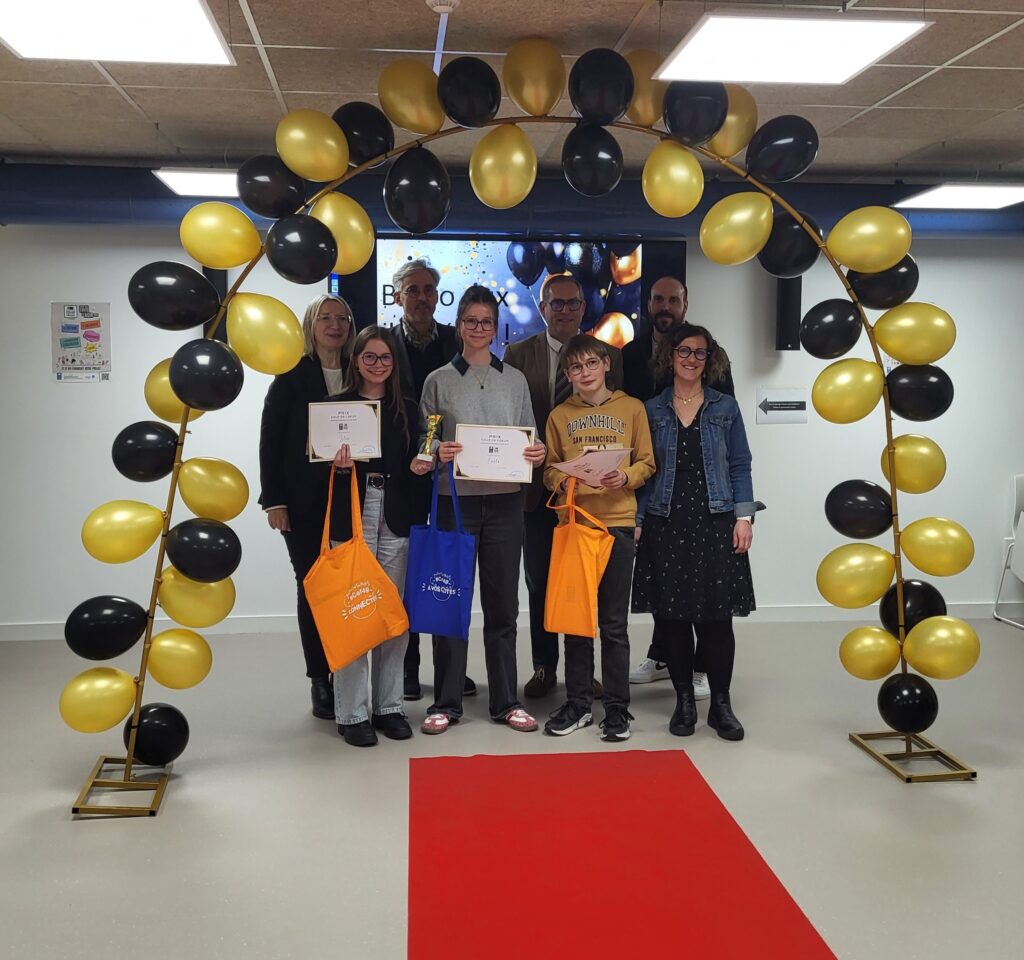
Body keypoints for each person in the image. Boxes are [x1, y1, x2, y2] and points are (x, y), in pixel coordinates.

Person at [411, 285, 546, 735]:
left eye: (487, 322)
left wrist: (536, 453)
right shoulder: (437, 381)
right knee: (450, 603)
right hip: (455, 504)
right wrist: (437, 453)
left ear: (495, 328)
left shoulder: (515, 380)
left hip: (507, 504)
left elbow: (529, 437)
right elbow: (425, 445)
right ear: (459, 325)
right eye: (471, 321)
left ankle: (506, 701)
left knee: (503, 606)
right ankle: (446, 703)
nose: (479, 329)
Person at [632, 323, 763, 741]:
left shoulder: (725, 407)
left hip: (715, 520)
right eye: (684, 351)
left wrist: (744, 517)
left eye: (700, 352)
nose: (691, 359)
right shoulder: (650, 410)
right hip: (664, 521)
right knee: (671, 619)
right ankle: (684, 701)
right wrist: (636, 522)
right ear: (669, 357)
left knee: (716, 620)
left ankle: (721, 705)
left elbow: (740, 463)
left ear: (711, 360)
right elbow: (646, 473)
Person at [504, 273, 623, 700]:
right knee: (539, 582)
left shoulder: (606, 354)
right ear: (542, 307)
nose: (566, 310)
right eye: (557, 303)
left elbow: (617, 417)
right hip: (537, 492)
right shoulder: (517, 353)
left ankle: (582, 668)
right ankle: (543, 666)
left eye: (573, 303)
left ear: (582, 308)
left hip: (590, 494)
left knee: (584, 584)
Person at [624, 276, 733, 697]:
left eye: (673, 299)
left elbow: (729, 437)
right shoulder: (629, 354)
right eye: (658, 299)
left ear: (685, 303)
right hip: (652, 482)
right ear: (648, 303)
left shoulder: (710, 355)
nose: (665, 305)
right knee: (665, 583)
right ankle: (663, 655)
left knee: (704, 589)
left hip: (705, 492)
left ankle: (702, 667)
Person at [542, 335, 655, 741]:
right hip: (576, 525)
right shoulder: (558, 415)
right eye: (575, 368)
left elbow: (646, 462)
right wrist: (568, 475)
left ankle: (617, 710)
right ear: (567, 374)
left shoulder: (632, 408)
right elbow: (549, 472)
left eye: (591, 364)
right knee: (576, 621)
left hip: (618, 523)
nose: (585, 373)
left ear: (606, 364)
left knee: (613, 624)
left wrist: (624, 475)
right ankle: (577, 704)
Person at [259, 295, 354, 720]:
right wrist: (274, 500)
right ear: (310, 325)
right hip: (301, 501)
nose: (334, 325)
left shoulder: (360, 371)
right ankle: (320, 677)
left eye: (342, 318)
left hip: (352, 498)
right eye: (325, 318)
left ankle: (347, 672)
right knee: (312, 586)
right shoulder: (291, 376)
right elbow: (270, 443)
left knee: (350, 584)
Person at [328, 326, 424, 747]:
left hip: (396, 514)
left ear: (394, 363)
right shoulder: (334, 408)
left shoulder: (407, 407)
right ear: (356, 360)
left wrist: (425, 463)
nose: (378, 365)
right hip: (351, 512)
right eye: (370, 357)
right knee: (353, 613)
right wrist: (337, 466)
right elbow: (313, 466)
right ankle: (351, 713)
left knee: (392, 615)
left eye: (385, 358)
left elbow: (417, 459)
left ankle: (388, 707)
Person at [388, 258, 473, 702]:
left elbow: (441, 414)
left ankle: (449, 671)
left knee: (442, 570)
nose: (421, 297)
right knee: (406, 572)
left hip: (448, 474)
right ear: (398, 294)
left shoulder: (452, 341)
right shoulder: (383, 341)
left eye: (428, 290)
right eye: (413, 289)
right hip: (402, 474)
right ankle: (407, 668)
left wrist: (435, 451)